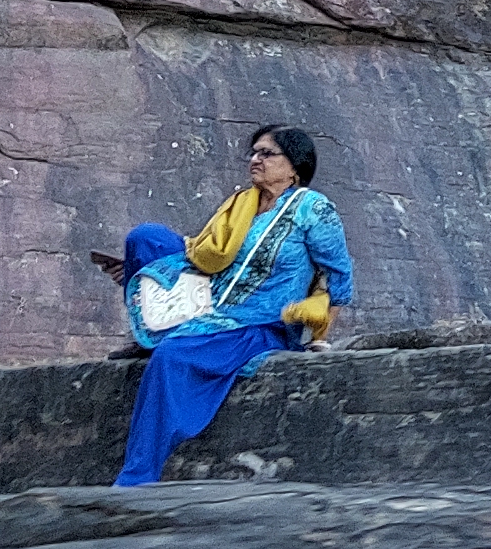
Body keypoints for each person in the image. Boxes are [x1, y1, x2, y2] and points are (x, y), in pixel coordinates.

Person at [114, 124, 357, 486]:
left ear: (294, 166)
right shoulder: (243, 203)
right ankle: (156, 330)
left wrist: (319, 334)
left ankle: (136, 478)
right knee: (146, 239)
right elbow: (205, 251)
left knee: (172, 358)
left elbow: (339, 275)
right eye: (254, 153)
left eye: (266, 154)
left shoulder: (312, 208)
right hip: (210, 296)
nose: (255, 160)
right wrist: (155, 271)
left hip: (260, 323)